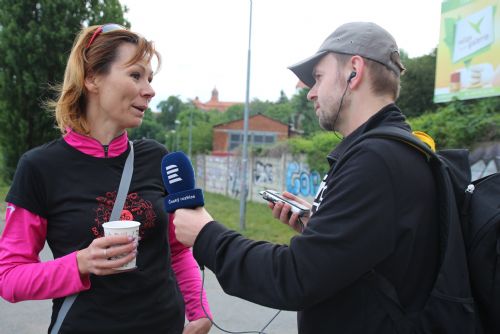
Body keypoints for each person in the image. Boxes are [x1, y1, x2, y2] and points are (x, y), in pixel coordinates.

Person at [172, 22, 440, 333]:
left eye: (318, 78)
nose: (311, 93)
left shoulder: (376, 161)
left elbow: (295, 277)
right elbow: (368, 258)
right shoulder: (387, 151)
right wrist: (319, 225)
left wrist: (207, 235)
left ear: (354, 70)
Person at [0, 24, 212, 334]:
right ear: (92, 78)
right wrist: (79, 264)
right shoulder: (39, 167)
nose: (150, 90)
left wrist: (200, 310)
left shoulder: (156, 158)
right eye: (135, 75)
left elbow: (177, 250)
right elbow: (10, 277)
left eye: (150, 79)